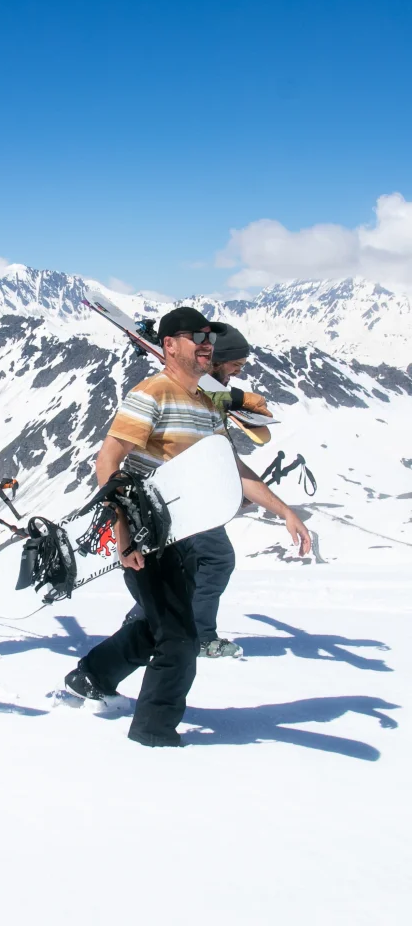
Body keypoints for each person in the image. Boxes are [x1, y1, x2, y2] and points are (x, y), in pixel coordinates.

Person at [64, 307, 311, 748]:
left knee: (158, 627)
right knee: (179, 640)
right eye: (194, 335)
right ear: (169, 345)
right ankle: (153, 734)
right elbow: (108, 461)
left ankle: (91, 676)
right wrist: (123, 535)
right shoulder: (151, 393)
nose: (205, 343)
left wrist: (285, 511)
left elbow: (231, 467)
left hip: (187, 536)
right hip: (147, 535)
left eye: (209, 337)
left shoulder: (205, 404)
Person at [124, 322, 266, 658]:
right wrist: (240, 398)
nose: (238, 372)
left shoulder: (207, 388)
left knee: (182, 566)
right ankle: (194, 634)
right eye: (236, 365)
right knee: (214, 559)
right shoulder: (198, 387)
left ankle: (142, 626)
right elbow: (208, 392)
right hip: (174, 492)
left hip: (183, 490)